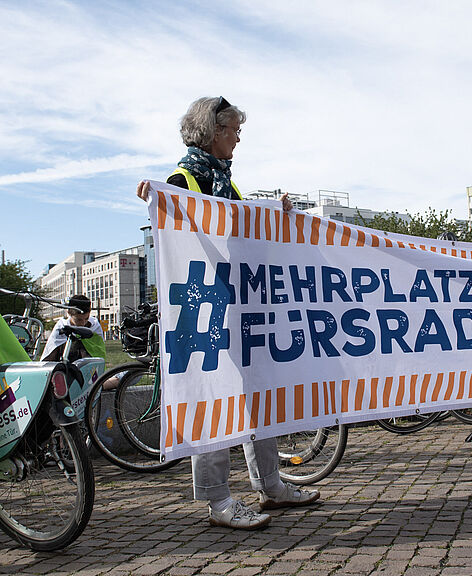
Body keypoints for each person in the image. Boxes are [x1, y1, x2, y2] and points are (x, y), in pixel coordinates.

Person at [137, 96, 318, 530]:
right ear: (213, 131)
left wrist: (277, 214)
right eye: (233, 129)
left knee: (260, 392)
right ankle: (218, 500)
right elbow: (169, 234)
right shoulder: (181, 180)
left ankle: (270, 485)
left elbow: (244, 228)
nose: (238, 137)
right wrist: (153, 196)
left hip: (237, 306)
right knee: (211, 396)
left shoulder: (225, 183)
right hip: (205, 312)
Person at [41, 295, 106, 362]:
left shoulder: (94, 326)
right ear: (69, 313)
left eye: (86, 318)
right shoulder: (62, 326)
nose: (83, 323)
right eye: (79, 320)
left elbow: (99, 351)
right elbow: (51, 352)